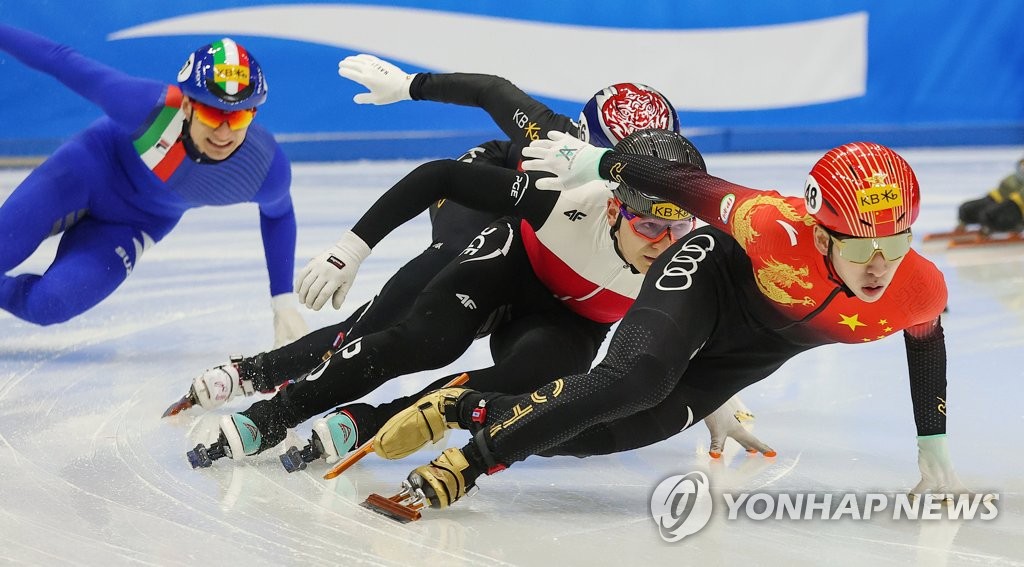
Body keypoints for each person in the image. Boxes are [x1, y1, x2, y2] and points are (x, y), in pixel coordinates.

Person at [183, 56, 769, 465]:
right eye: (614, 163)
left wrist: (708, 394)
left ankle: (371, 418)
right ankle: (259, 374)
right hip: (503, 201)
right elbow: (488, 99)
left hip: (566, 305)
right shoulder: (562, 168)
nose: (630, 180)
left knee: (529, 381)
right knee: (417, 320)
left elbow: (719, 317)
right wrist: (354, 244)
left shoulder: (687, 224)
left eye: (651, 171)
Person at [375, 136, 964, 511]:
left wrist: (932, 439)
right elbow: (688, 186)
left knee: (619, 431)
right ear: (817, 232)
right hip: (711, 278)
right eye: (859, 249)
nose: (879, 266)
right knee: (636, 379)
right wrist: (598, 160)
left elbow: (927, 340)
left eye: (896, 241)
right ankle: (469, 463)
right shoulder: (769, 224)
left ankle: (465, 410)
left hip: (750, 353)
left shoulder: (918, 285)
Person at [0, 24, 306, 346]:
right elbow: (61, 59)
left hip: (136, 223)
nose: (224, 133)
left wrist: (282, 301)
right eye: (213, 115)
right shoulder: (149, 109)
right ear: (187, 106)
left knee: (50, 305)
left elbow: (279, 214)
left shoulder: (263, 168)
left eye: (239, 117)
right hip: (85, 172)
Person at [956, 157, 1024, 234]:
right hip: (1002, 201)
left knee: (994, 215)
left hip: (1016, 207)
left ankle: (1013, 226)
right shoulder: (1011, 178)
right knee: (967, 209)